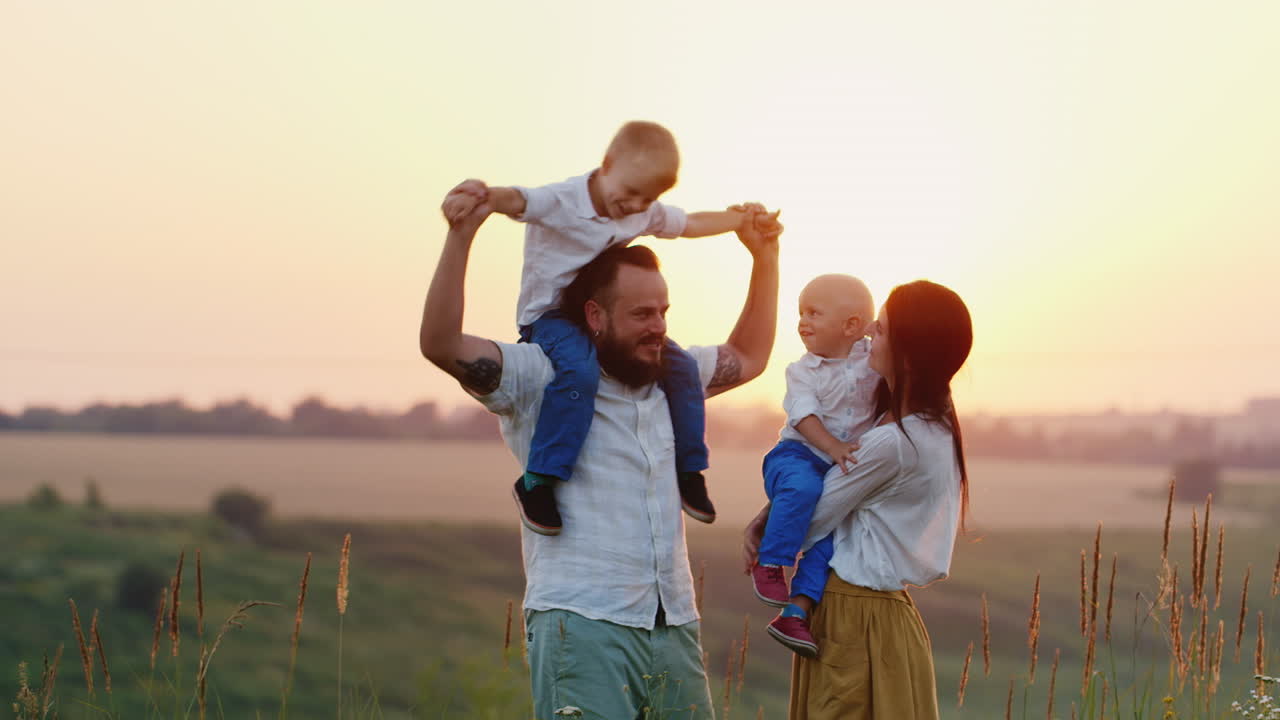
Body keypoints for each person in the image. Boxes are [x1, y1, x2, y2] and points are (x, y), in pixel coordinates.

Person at [421, 184, 781, 719]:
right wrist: (462, 236)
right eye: (641, 314)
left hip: (673, 623)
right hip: (580, 622)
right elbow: (442, 344)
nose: (658, 326)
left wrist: (764, 258)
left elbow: (749, 356)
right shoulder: (537, 374)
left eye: (663, 311)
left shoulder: (672, 378)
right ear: (594, 315)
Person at [443, 121, 772, 535]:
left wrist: (739, 219)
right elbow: (519, 200)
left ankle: (689, 471)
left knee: (683, 369)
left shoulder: (642, 210)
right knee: (579, 373)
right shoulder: (563, 200)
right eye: (630, 192)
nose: (635, 205)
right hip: (553, 319)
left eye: (648, 199)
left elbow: (689, 224)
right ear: (607, 164)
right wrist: (483, 196)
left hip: (607, 320)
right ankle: (539, 481)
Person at [742, 280, 973, 720]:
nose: (868, 331)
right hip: (888, 619)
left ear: (907, 351)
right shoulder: (932, 429)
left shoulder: (891, 443)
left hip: (854, 617)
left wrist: (767, 524)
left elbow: (810, 520)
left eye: (881, 329)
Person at [747, 274, 881, 658]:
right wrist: (834, 447)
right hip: (796, 455)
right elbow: (803, 415)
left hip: (835, 467)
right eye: (801, 312)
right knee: (802, 490)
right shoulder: (802, 370)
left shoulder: (872, 360)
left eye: (814, 313)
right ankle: (770, 563)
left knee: (832, 543)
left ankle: (794, 614)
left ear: (852, 325)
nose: (802, 321)